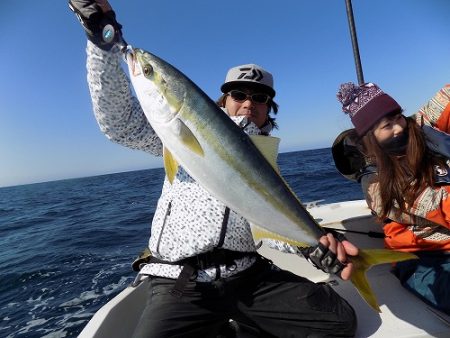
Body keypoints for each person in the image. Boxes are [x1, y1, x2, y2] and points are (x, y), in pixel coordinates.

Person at [70, 1, 358, 336]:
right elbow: (118, 123)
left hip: (248, 276)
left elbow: (266, 222)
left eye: (260, 98)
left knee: (340, 321)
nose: (249, 102)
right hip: (181, 282)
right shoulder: (172, 135)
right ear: (223, 102)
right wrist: (101, 45)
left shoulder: (266, 163)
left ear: (269, 110)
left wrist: (313, 245)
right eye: (238, 93)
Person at [334, 81, 450, 315]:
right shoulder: (376, 185)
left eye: (397, 116)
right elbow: (439, 206)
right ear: (371, 137)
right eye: (387, 126)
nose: (399, 127)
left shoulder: (416, 127)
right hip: (423, 260)